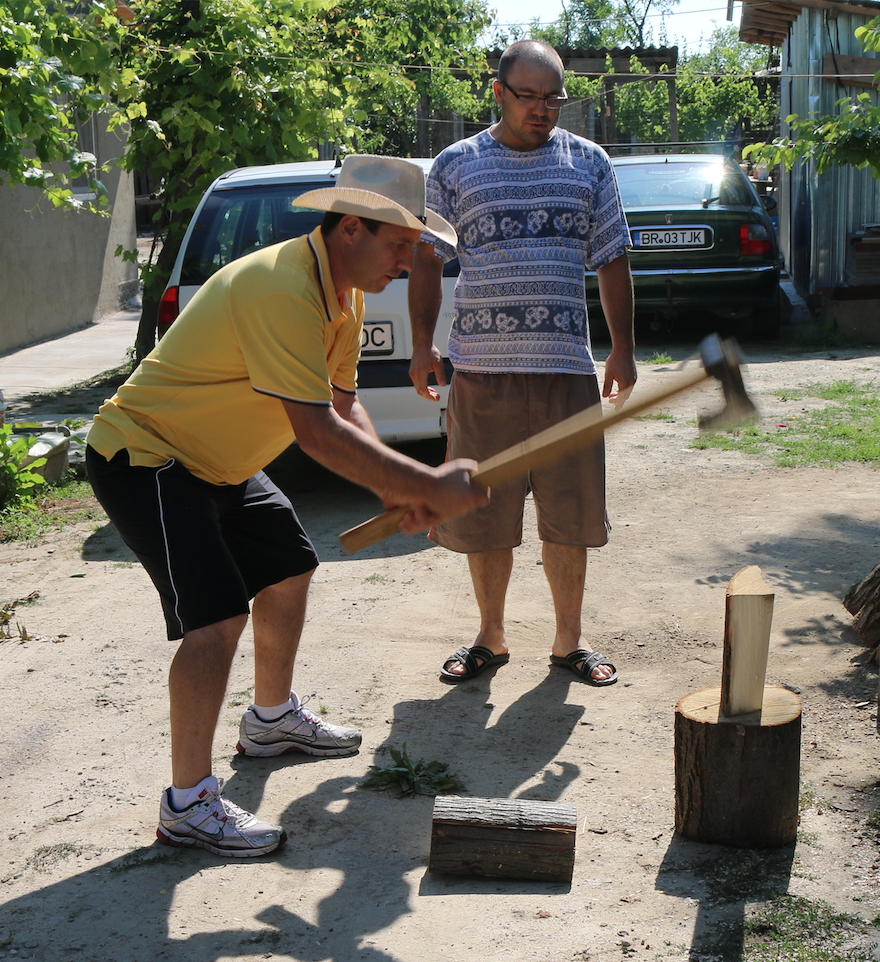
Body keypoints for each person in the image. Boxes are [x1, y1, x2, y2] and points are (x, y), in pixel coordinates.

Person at [86, 156, 486, 859]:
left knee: (289, 567)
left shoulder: (346, 295)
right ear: (352, 228)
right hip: (147, 455)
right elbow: (316, 432)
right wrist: (422, 482)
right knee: (216, 618)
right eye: (400, 243)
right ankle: (187, 805)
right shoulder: (282, 286)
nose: (409, 261)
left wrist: (397, 487)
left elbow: (344, 405)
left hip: (220, 462)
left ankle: (270, 722)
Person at [408, 39, 637, 688]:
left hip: (566, 370)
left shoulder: (589, 163)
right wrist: (422, 345)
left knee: (571, 513)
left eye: (552, 98)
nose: (541, 109)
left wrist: (622, 348)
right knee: (483, 515)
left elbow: (613, 257)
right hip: (483, 375)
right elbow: (426, 259)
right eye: (528, 96)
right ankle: (491, 635)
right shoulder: (456, 165)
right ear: (499, 92)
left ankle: (570, 641)